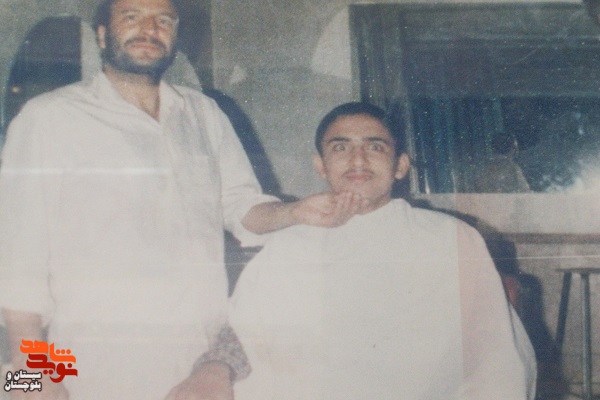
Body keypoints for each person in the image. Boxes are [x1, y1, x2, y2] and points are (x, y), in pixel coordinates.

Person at [0, 1, 367, 399]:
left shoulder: (203, 113)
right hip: (90, 364)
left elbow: (240, 206)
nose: (149, 29)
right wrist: (31, 372)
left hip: (198, 364)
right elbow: (20, 252)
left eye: (163, 20)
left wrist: (294, 211)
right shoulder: (49, 117)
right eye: (131, 17)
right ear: (102, 35)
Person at [230, 102, 538, 400]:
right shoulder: (289, 246)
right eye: (341, 147)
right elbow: (249, 347)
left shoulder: (449, 237)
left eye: (375, 146)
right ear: (321, 166)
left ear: (400, 165)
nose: (358, 159)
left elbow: (495, 357)